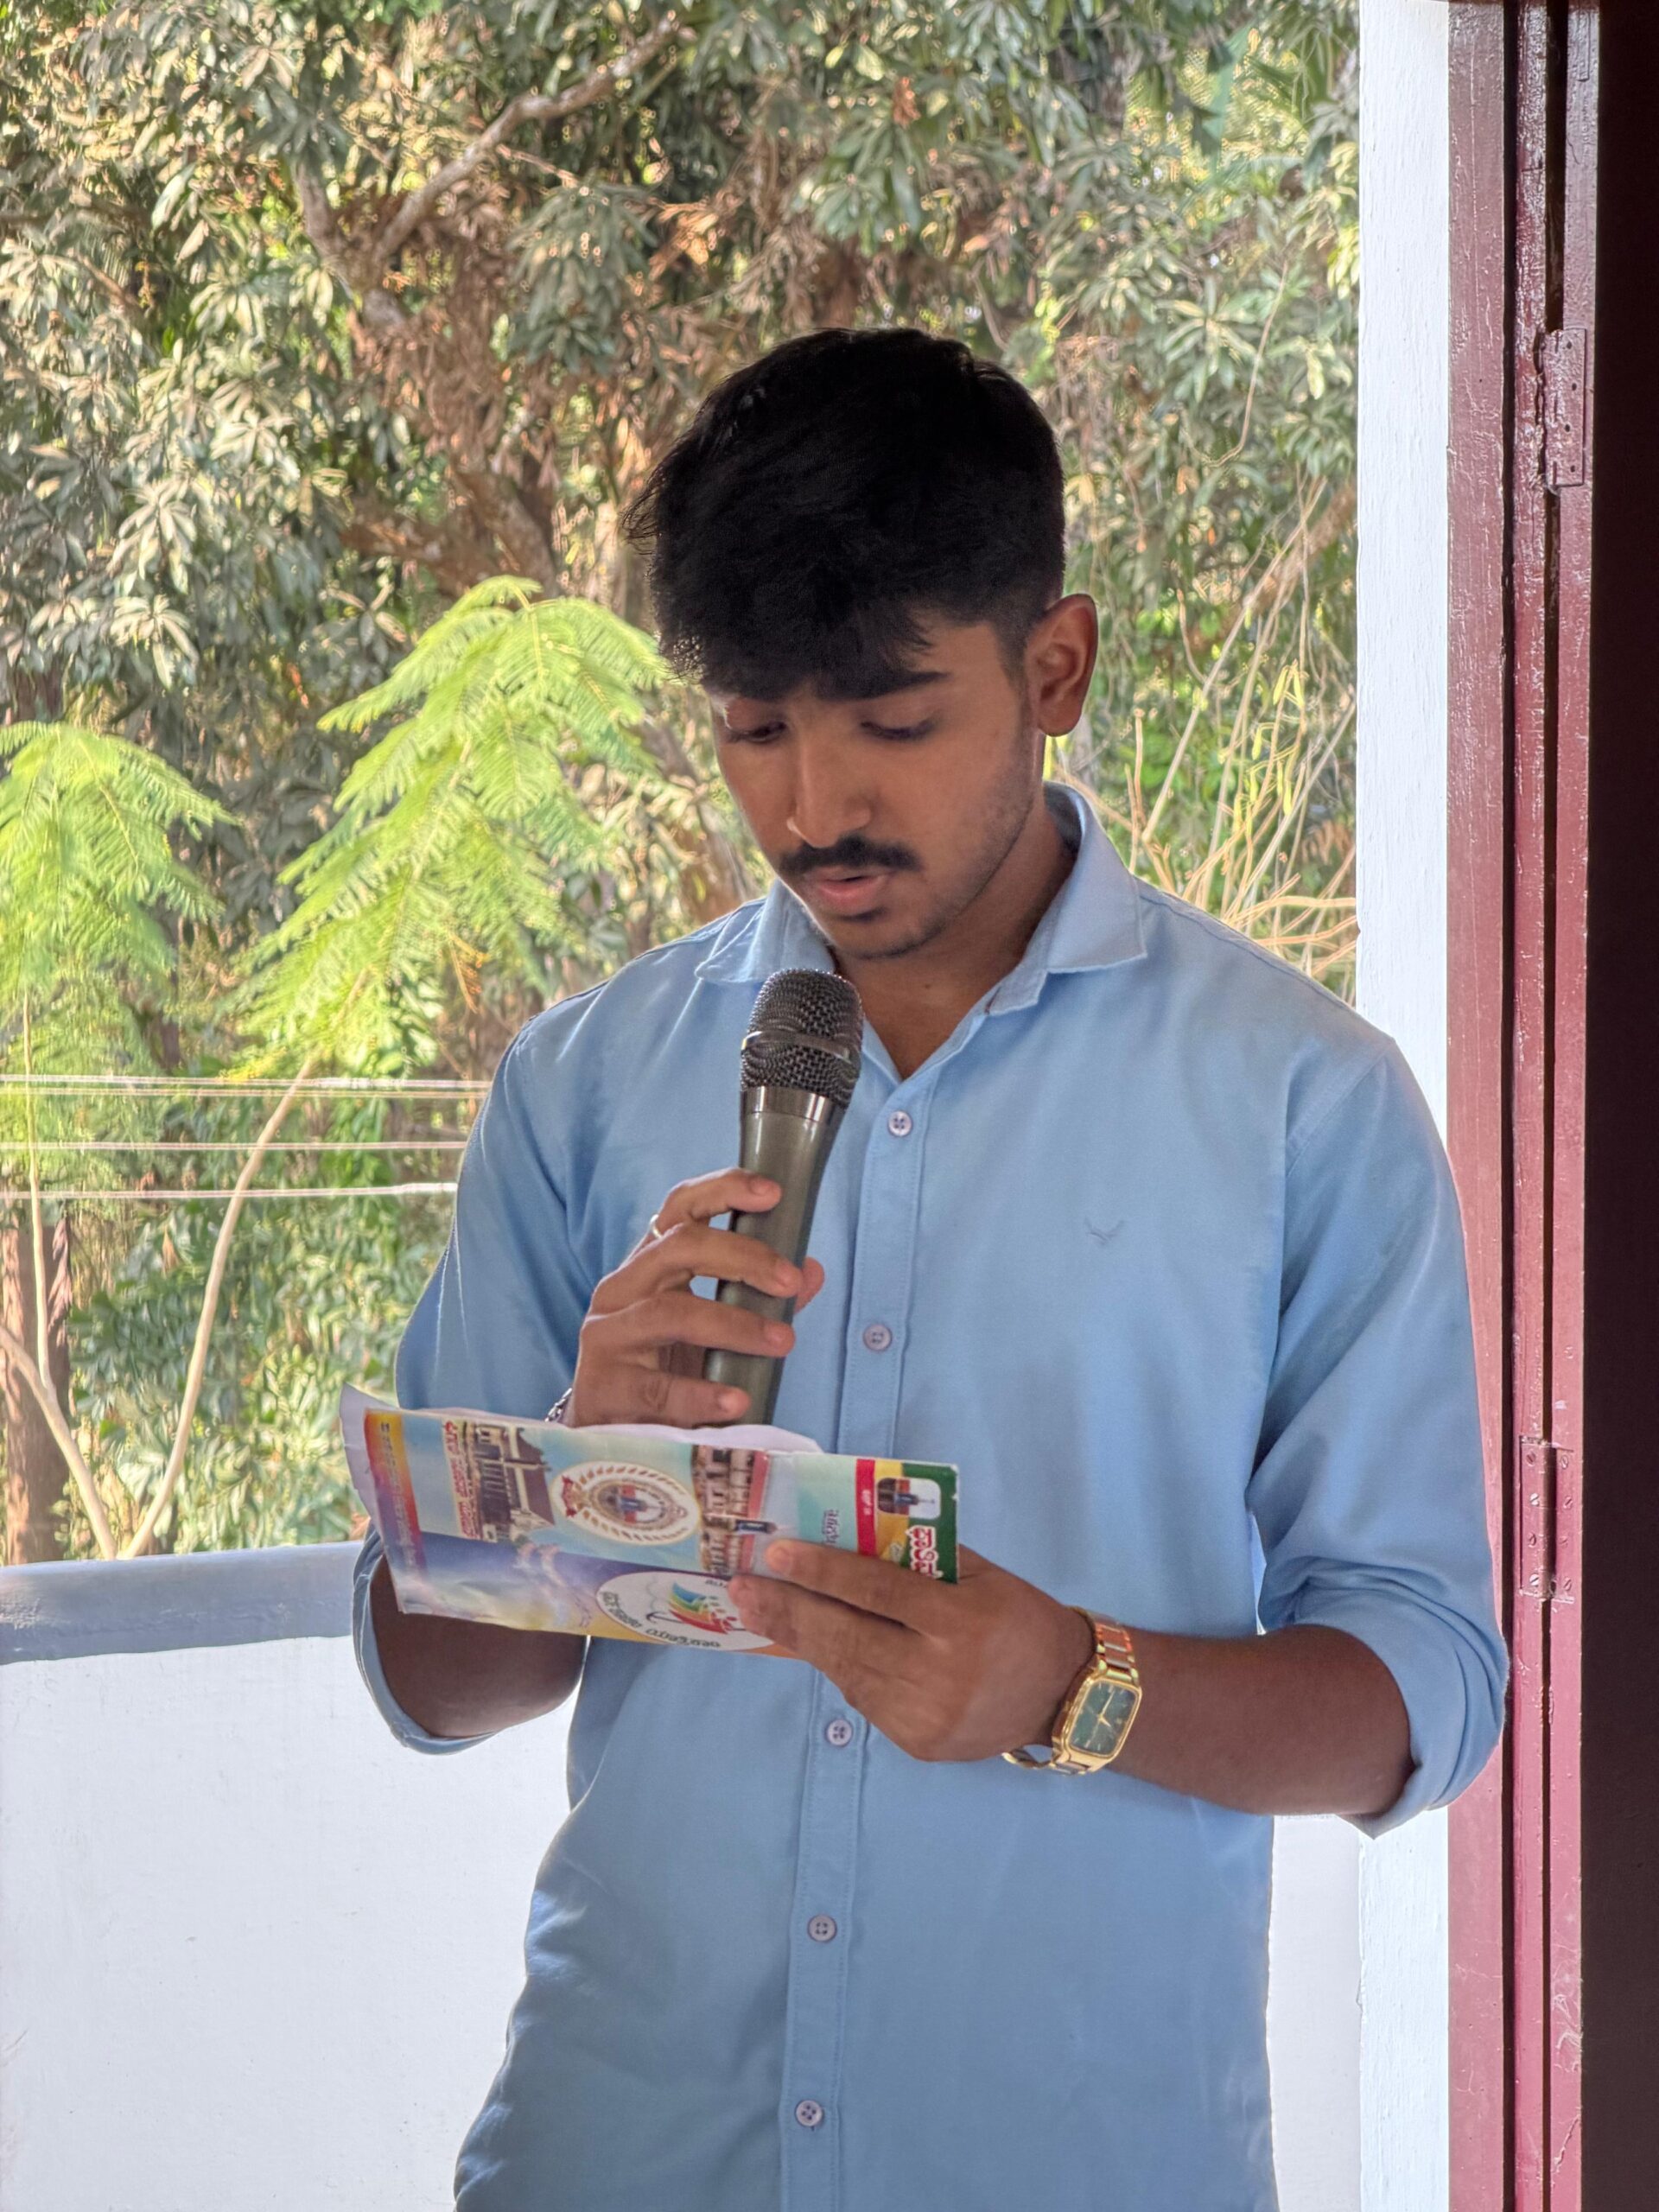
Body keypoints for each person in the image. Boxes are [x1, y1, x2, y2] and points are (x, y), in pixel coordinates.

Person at [355, 327, 1505, 2210]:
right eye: (754, 727)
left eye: (892, 720)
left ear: (1056, 668)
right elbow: (432, 1680)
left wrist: (1075, 1682)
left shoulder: (1305, 1101)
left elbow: (1425, 1691)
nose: (815, 806)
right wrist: (573, 1462)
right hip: (620, 2152)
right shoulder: (582, 1082)